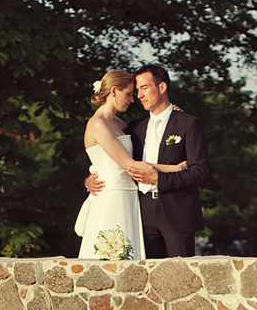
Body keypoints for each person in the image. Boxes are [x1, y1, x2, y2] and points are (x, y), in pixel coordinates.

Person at [85, 64, 210, 257]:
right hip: (139, 211)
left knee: (181, 277)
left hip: (176, 212)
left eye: (144, 88)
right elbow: (113, 159)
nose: (138, 96)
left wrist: (159, 179)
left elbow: (200, 172)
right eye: (135, 91)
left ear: (162, 87)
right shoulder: (135, 127)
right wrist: (90, 179)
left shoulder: (188, 124)